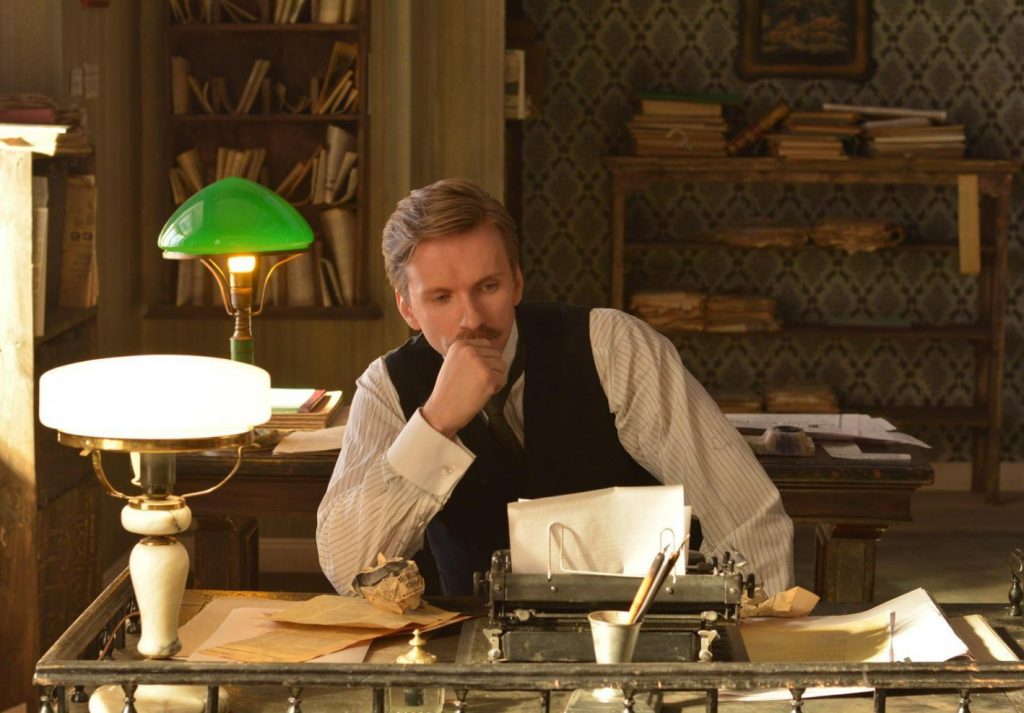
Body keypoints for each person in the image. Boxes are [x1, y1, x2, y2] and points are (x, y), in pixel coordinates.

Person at [317, 178, 794, 596]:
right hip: (470, 646)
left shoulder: (613, 347)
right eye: (441, 298)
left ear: (517, 281)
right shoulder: (387, 386)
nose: (471, 319)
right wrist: (436, 422)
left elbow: (747, 517)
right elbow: (348, 568)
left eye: (488, 287)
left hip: (635, 637)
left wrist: (756, 657)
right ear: (408, 309)